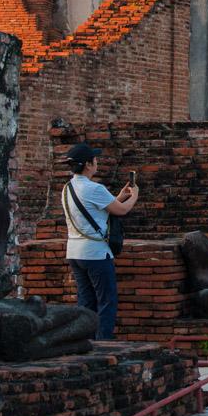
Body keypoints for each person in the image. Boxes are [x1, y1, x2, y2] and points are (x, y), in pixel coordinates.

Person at [62, 142, 139, 343]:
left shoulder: (67, 188)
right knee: (106, 300)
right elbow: (121, 211)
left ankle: (84, 340)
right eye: (95, 160)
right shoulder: (94, 188)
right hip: (95, 252)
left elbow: (98, 208)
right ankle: (103, 343)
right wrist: (134, 197)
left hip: (75, 252)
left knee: (86, 301)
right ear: (88, 164)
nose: (97, 163)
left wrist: (120, 196)